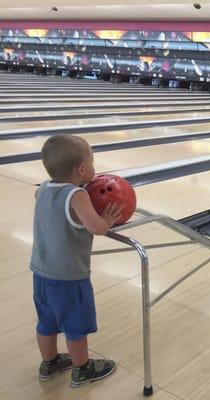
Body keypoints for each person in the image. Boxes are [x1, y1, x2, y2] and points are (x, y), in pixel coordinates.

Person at [31, 135, 123, 387]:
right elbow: (96, 228)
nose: (94, 165)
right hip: (69, 277)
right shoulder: (76, 196)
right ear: (82, 169)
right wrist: (107, 220)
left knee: (46, 322)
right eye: (92, 160)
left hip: (41, 273)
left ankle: (49, 363)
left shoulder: (43, 189)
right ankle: (82, 370)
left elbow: (44, 202)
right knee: (75, 325)